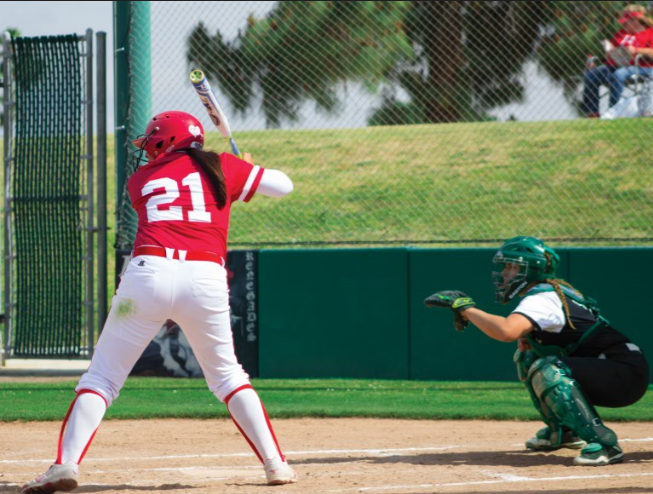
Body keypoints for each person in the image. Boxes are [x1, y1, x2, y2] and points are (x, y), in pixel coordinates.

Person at [21, 111, 298, 493]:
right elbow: (284, 187)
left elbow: (186, 188)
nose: (147, 149)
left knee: (102, 378)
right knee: (229, 377)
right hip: (205, 279)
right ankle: (276, 465)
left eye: (151, 140)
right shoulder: (222, 166)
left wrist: (235, 174)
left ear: (164, 141)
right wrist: (246, 170)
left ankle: (65, 465)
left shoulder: (142, 179)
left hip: (147, 276)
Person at [424, 236, 649, 466]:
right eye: (506, 266)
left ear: (531, 270)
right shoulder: (549, 292)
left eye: (512, 267)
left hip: (623, 373)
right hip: (615, 368)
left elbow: (505, 331)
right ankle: (561, 432)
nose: (504, 273)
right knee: (528, 356)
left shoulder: (543, 298)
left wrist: (465, 308)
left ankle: (605, 445)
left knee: (549, 369)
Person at [583, 4, 653, 118]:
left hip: (641, 67)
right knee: (592, 75)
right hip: (617, 65)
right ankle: (593, 114)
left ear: (635, 21)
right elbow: (613, 52)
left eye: (626, 22)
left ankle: (614, 111)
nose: (623, 24)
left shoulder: (650, 33)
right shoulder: (621, 33)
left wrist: (637, 50)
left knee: (618, 75)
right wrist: (610, 50)